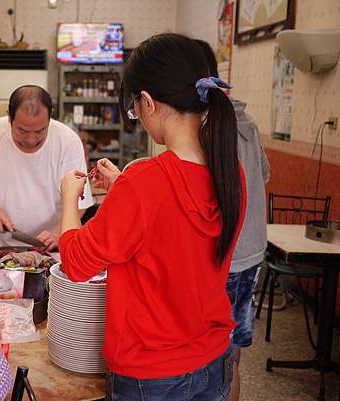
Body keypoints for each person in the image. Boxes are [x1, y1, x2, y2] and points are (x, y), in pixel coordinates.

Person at [59, 33, 247, 401]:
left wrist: (70, 200)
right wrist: (122, 190)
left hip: (152, 373)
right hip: (214, 358)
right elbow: (176, 239)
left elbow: (76, 262)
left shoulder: (144, 182)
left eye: (133, 108)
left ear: (147, 102)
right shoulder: (230, 170)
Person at [197, 38, 271, 401]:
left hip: (222, 256)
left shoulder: (203, 127)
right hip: (252, 251)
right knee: (232, 357)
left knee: (211, 358)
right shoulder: (245, 120)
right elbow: (265, 174)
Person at [0, 85, 93, 250]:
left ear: (50, 118)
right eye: (22, 131)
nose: (31, 140)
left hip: (53, 247)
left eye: (40, 131)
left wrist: (58, 232)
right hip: (0, 246)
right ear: (9, 118)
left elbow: (80, 199)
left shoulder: (67, 141)